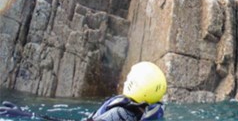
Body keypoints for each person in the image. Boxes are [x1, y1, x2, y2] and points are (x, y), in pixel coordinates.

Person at [0, 62, 167, 121]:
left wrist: (31, 116)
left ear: (137, 86)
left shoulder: (118, 114)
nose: (125, 81)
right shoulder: (146, 110)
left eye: (130, 79)